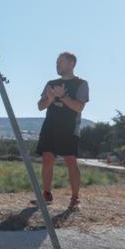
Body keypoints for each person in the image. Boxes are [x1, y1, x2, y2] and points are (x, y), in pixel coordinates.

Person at [36, 51, 89, 209]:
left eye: (60, 61)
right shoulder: (50, 83)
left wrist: (63, 97)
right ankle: (46, 195)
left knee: (71, 161)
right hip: (50, 127)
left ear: (71, 63)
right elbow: (40, 106)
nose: (57, 64)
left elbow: (79, 106)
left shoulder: (81, 84)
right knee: (47, 160)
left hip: (69, 128)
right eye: (57, 61)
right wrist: (50, 99)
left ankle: (75, 198)